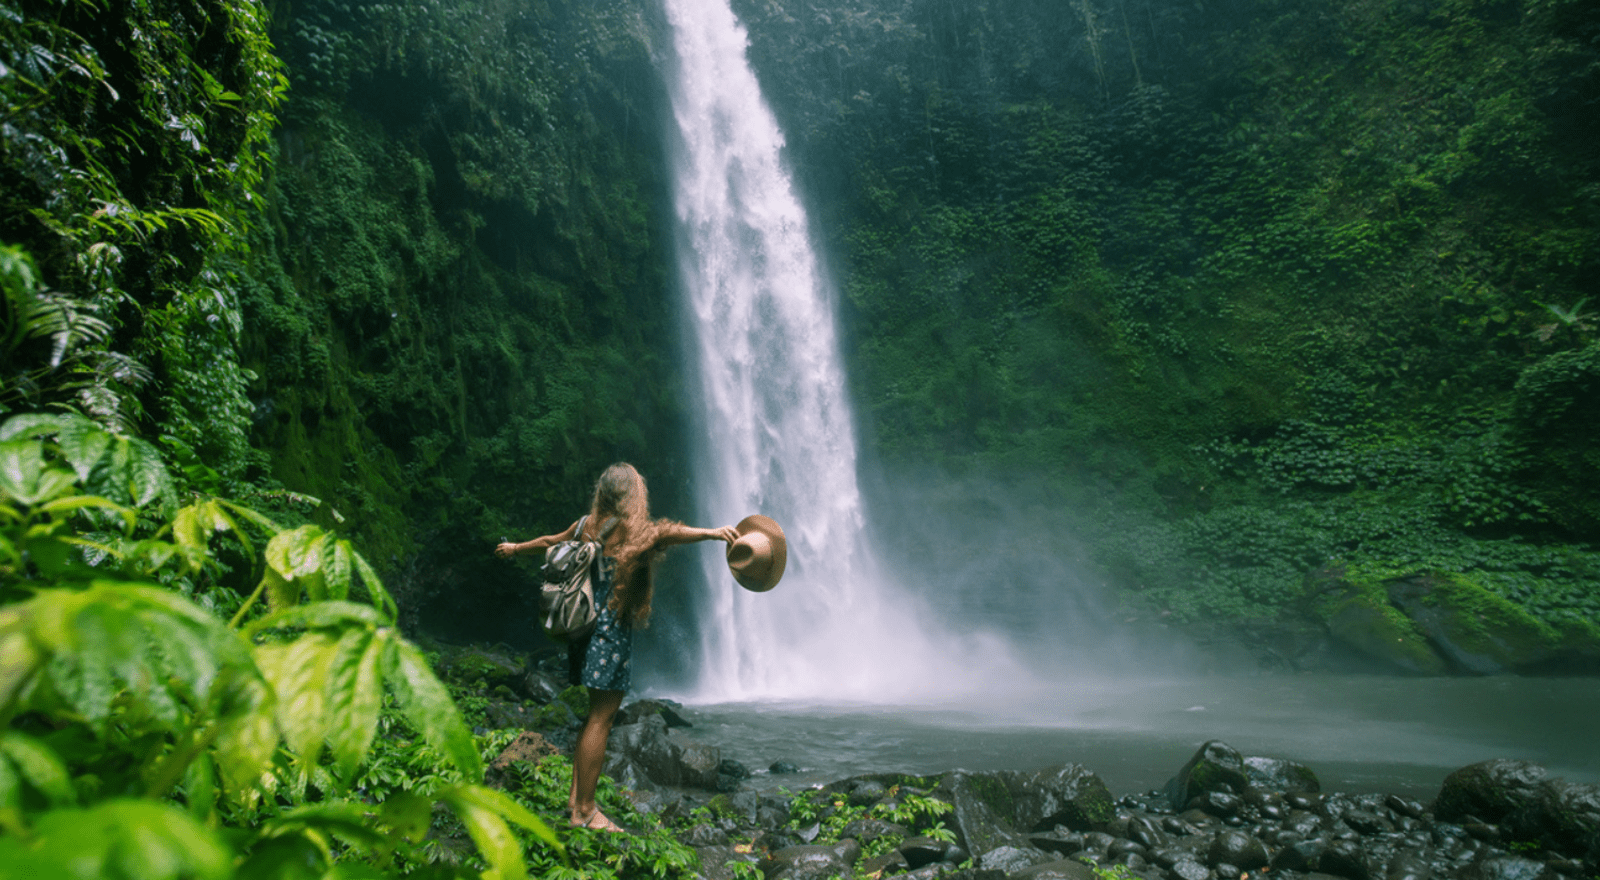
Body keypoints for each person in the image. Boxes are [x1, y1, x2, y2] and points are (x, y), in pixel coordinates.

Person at [495, 462, 736, 832]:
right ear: (631, 494)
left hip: (583, 629)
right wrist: (713, 533)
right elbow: (669, 533)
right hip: (610, 631)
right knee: (601, 718)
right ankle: (586, 812)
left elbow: (548, 543)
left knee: (594, 716)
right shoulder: (632, 529)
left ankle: (576, 802)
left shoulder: (583, 525)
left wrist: (514, 548)